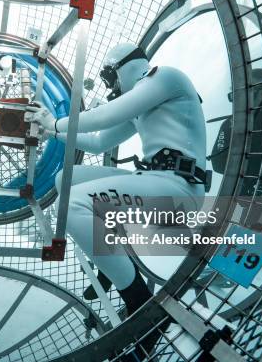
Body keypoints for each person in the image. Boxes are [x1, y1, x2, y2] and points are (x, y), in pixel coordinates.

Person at [26, 42, 209, 322]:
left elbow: (105, 117)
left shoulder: (164, 77)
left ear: (124, 67)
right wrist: (52, 132)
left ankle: (139, 301)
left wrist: (54, 123)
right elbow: (100, 143)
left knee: (71, 205)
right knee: (66, 178)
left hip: (179, 191)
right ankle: (111, 258)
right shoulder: (142, 102)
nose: (111, 86)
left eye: (109, 77)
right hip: (155, 180)